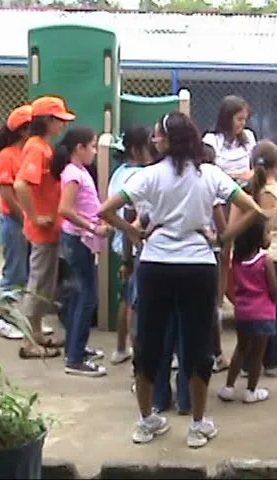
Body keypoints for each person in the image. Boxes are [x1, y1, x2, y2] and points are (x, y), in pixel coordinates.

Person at [98, 111, 265, 448]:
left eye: (158, 135)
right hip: (198, 267)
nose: (154, 140)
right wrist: (221, 239)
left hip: (156, 266)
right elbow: (253, 210)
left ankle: (146, 422)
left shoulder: (148, 176)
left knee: (149, 344)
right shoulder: (210, 174)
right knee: (197, 345)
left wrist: (134, 232)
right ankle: (198, 424)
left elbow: (106, 210)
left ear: (168, 140)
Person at [14, 96, 76, 359]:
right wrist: (36, 215)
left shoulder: (43, 147)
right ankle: (29, 342)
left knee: (44, 286)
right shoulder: (37, 149)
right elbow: (20, 185)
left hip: (49, 230)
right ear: (48, 122)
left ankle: (36, 334)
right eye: (59, 120)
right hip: (42, 230)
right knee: (37, 285)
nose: (62, 125)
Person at [54, 126, 112, 376]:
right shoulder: (73, 174)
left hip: (81, 239)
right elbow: (65, 209)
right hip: (79, 239)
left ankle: (74, 347)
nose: (93, 151)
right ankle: (75, 358)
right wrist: (92, 227)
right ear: (79, 148)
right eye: (91, 146)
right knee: (87, 296)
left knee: (81, 295)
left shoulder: (78, 171)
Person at [239, 140, 277, 377]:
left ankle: (246, 362)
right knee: (272, 305)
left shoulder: (246, 193)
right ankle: (271, 362)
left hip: (248, 257)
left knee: (248, 306)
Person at [0, 105, 45, 340]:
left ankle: (20, 319)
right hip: (14, 222)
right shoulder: (7, 155)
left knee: (26, 272)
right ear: (24, 131)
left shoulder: (25, 152)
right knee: (14, 272)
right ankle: (2, 320)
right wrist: (24, 217)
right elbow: (6, 190)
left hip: (23, 221)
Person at [203, 95, 257, 324]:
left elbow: (254, 168)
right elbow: (209, 168)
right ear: (227, 118)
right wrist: (236, 175)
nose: (242, 123)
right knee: (222, 250)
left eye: (245, 119)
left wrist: (248, 176)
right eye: (238, 119)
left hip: (242, 198)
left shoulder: (249, 138)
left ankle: (244, 299)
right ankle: (216, 301)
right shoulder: (211, 139)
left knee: (243, 252)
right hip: (218, 200)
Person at [106, 126, 155, 365]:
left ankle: (120, 348)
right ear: (137, 150)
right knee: (135, 302)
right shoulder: (138, 176)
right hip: (132, 245)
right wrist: (128, 255)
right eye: (150, 144)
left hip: (123, 242)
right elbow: (128, 214)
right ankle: (138, 355)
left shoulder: (120, 171)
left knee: (127, 297)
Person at [218, 218, 277, 403]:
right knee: (257, 354)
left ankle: (228, 387)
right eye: (267, 232)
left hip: (242, 311)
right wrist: (273, 301)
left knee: (241, 348)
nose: (270, 236)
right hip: (263, 312)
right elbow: (274, 289)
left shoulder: (238, 259)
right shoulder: (265, 259)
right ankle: (251, 390)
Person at [201, 143, 230, 374]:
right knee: (210, 307)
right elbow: (222, 226)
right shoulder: (211, 189)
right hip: (208, 252)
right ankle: (217, 355)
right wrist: (221, 240)